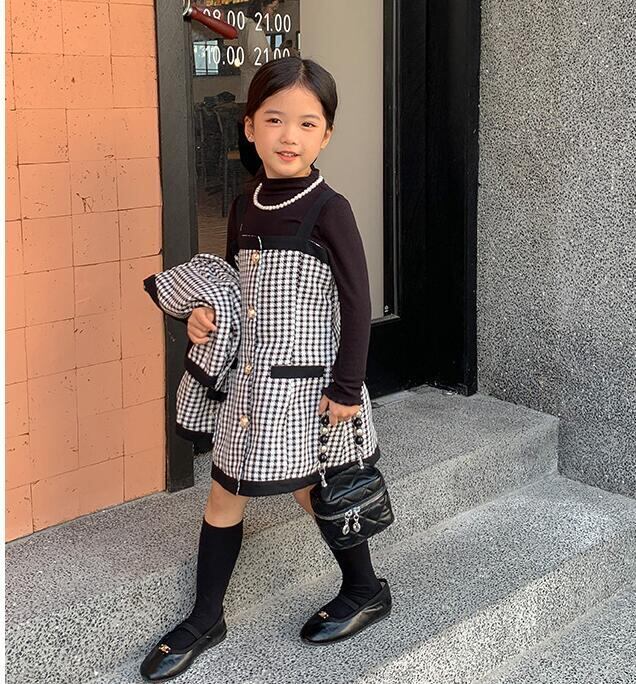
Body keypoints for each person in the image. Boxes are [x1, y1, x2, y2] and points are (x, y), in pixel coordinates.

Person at [140, 56, 391, 682]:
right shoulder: (244, 204)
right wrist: (201, 316)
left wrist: (347, 389)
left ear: (326, 134)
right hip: (251, 384)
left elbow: (358, 303)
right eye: (275, 120)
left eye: (307, 123)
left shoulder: (329, 209)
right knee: (225, 488)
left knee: (316, 491)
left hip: (310, 389)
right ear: (249, 127)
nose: (289, 136)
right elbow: (233, 285)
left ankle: (365, 589)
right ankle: (206, 617)